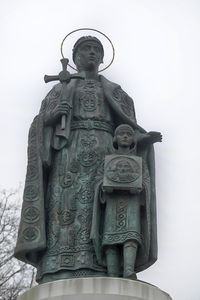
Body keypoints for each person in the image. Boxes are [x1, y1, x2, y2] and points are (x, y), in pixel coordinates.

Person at [14, 36, 161, 283]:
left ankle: (109, 266)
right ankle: (59, 265)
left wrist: (142, 140)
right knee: (65, 209)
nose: (91, 53)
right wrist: (51, 118)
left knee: (108, 211)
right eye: (85, 49)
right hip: (67, 157)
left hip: (106, 158)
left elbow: (127, 130)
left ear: (102, 58)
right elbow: (38, 126)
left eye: (96, 50)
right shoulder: (59, 89)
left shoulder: (116, 93)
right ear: (75, 57)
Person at [101, 124, 161, 279]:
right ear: (115, 138)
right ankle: (112, 273)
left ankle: (128, 270)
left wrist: (140, 189)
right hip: (113, 203)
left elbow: (146, 180)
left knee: (131, 236)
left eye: (128, 134)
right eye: (121, 134)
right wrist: (104, 188)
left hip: (132, 203)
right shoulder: (108, 159)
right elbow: (98, 180)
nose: (125, 136)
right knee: (110, 240)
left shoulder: (138, 160)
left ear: (133, 138)